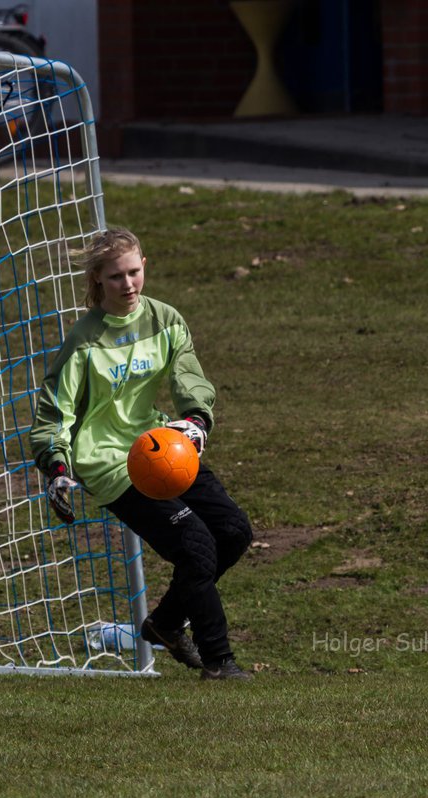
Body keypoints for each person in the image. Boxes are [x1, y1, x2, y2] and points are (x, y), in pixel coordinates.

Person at [30, 226, 254, 680]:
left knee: (233, 532)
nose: (127, 285)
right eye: (115, 277)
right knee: (197, 549)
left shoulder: (165, 319)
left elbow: (189, 379)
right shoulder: (83, 341)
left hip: (161, 446)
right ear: (97, 280)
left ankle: (165, 623)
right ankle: (219, 661)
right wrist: (56, 466)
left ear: (144, 267)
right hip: (110, 462)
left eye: (133, 273)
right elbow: (54, 413)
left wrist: (195, 419)